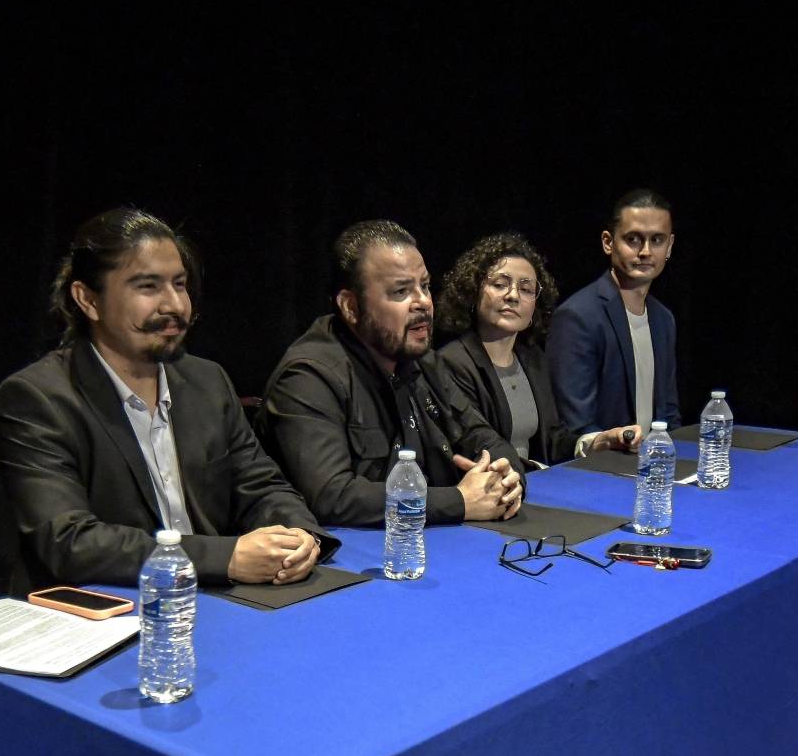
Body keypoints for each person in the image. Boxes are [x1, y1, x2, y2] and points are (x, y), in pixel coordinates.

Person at [0, 208, 337, 587]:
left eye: (179, 284)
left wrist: (298, 535)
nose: (174, 305)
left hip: (218, 597)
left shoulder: (207, 380)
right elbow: (70, 542)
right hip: (114, 604)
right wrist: (224, 558)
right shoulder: (39, 398)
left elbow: (261, 486)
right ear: (88, 299)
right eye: (148, 287)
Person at [259, 220, 524, 527]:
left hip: (429, 540)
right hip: (352, 551)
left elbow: (483, 436)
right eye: (401, 291)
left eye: (424, 286)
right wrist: (459, 501)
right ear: (350, 306)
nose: (423, 302)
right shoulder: (308, 377)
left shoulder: (424, 361)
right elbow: (333, 496)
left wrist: (507, 478)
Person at [436, 232, 646, 467]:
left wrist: (598, 442)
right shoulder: (451, 363)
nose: (513, 296)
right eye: (500, 284)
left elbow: (553, 441)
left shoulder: (533, 359)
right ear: (473, 290)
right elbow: (483, 451)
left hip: (536, 481)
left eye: (526, 289)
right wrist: (540, 470)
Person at [548, 189, 683, 439]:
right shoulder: (577, 317)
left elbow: (669, 414)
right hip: (601, 460)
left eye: (657, 240)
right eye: (633, 239)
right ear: (608, 242)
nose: (645, 251)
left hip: (653, 460)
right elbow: (576, 425)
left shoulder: (664, 319)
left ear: (669, 246)